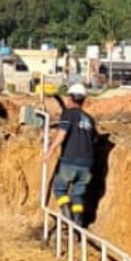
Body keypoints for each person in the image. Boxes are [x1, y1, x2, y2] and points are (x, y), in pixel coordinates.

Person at [44, 84, 97, 218]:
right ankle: (78, 223)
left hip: (70, 160)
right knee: (78, 195)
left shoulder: (68, 114)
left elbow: (62, 134)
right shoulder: (90, 120)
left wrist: (50, 151)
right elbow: (93, 140)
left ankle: (68, 220)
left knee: (60, 189)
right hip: (87, 165)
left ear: (70, 98)